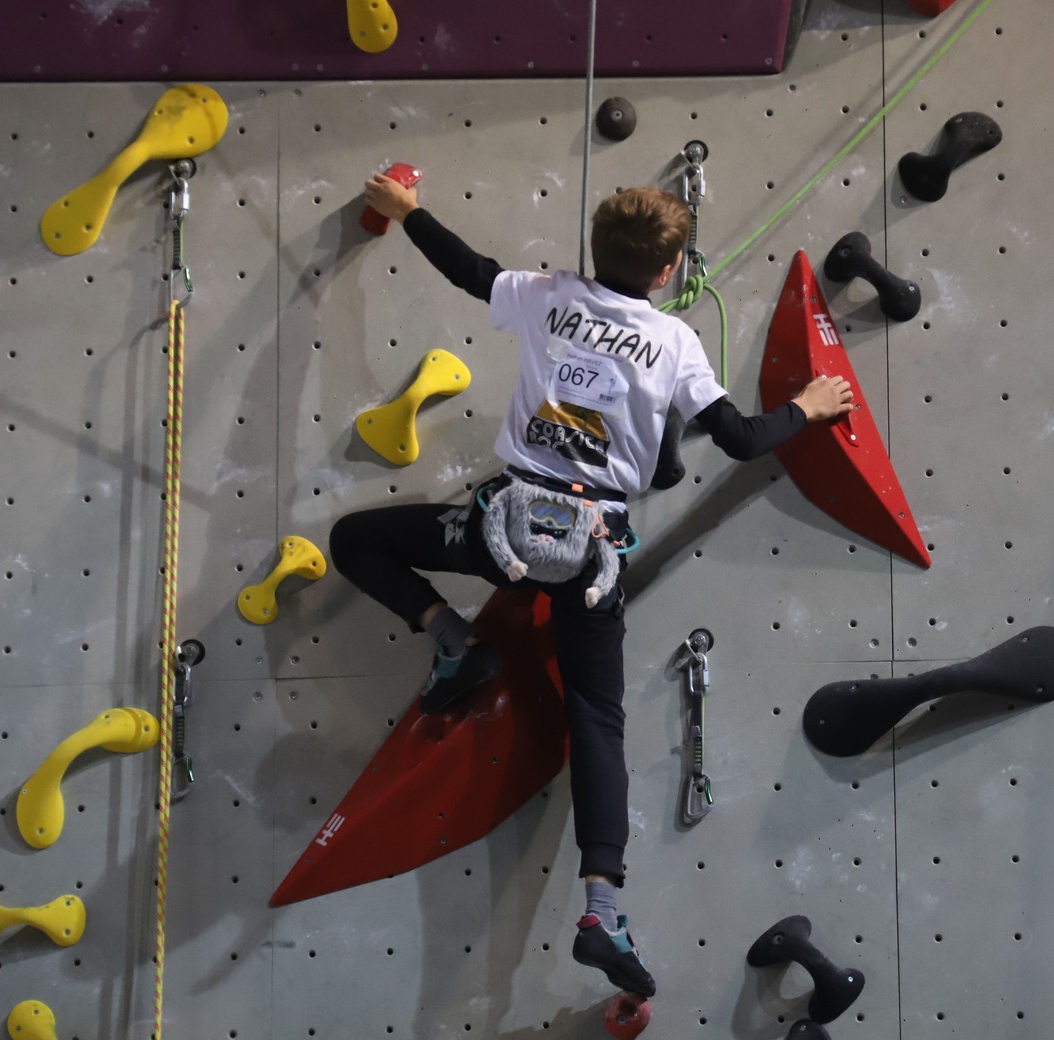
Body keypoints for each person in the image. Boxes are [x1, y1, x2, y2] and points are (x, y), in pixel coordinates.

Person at [331, 174, 854, 997]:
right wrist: (808, 406)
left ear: (594, 248)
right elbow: (744, 439)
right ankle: (602, 911)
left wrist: (408, 212)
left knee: (353, 541)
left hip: (500, 534)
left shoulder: (548, 296)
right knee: (595, 720)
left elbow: (469, 269)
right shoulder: (675, 343)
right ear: (669, 270)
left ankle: (455, 642)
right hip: (589, 558)